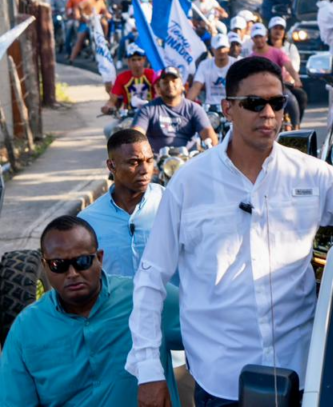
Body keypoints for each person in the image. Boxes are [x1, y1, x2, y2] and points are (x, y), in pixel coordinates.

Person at [126, 56, 333, 406]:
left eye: (277, 102)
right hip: (221, 378)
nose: (269, 113)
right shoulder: (189, 184)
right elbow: (151, 279)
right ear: (228, 109)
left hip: (304, 373)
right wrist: (149, 371)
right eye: (255, 103)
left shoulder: (310, 175)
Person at [0, 216, 182, 407]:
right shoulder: (26, 328)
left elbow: (208, 332)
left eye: (82, 261)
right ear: (45, 267)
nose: (72, 273)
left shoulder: (146, 299)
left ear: (100, 258)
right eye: (58, 265)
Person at [80, 129, 163, 278]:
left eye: (149, 160)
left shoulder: (172, 204)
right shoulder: (88, 221)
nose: (145, 170)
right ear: (111, 166)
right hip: (116, 302)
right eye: (134, 162)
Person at [131, 67, 217, 153]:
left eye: (174, 81)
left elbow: (210, 137)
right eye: (165, 82)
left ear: (184, 86)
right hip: (156, 161)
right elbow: (136, 136)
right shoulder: (147, 109)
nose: (170, 85)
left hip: (189, 161)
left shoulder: (194, 109)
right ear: (159, 87)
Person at [249, 23, 304, 126]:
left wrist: (296, 79)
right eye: (256, 37)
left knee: (291, 101)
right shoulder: (251, 58)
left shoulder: (277, 52)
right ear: (252, 39)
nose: (259, 39)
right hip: (259, 91)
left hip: (278, 88)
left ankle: (296, 128)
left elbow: (289, 66)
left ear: (265, 36)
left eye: (260, 36)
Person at [102, 45, 158, 137]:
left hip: (151, 115)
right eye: (133, 60)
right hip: (129, 115)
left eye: (139, 59)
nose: (137, 63)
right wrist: (107, 107)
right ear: (128, 62)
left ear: (144, 60)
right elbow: (112, 100)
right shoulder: (121, 77)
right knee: (108, 130)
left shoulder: (153, 74)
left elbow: (159, 94)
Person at [268, 16, 307, 122]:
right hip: (267, 84)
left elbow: (293, 67)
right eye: (275, 28)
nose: (278, 31)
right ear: (269, 30)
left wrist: (294, 80)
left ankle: (296, 125)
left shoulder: (290, 48)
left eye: (281, 28)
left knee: (301, 96)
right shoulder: (265, 49)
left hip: (286, 84)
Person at [188, 34, 238, 109]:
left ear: (228, 48)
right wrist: (185, 104)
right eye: (218, 48)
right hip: (211, 108)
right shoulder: (204, 64)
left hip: (231, 107)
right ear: (212, 49)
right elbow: (196, 87)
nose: (221, 51)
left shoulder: (236, 64)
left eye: (223, 47)